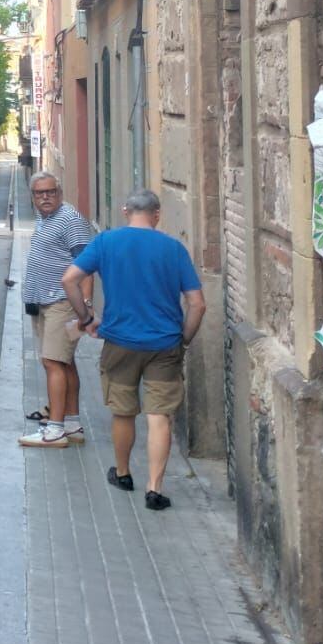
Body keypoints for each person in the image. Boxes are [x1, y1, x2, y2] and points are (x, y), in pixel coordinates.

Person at [63, 189, 205, 511]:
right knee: (159, 415)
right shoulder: (173, 248)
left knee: (123, 411)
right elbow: (197, 304)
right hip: (164, 345)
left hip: (119, 343)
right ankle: (154, 489)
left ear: (125, 211)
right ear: (157, 214)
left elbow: (69, 280)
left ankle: (123, 473)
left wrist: (86, 319)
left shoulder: (106, 242)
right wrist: (183, 340)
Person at [17, 170, 97, 449]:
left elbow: (86, 264)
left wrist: (86, 305)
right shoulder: (45, 218)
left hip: (62, 305)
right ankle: (72, 424)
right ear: (33, 196)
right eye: (40, 193)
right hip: (44, 302)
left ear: (60, 193)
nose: (46, 197)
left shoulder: (70, 220)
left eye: (51, 192)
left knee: (52, 363)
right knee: (64, 361)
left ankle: (54, 430)